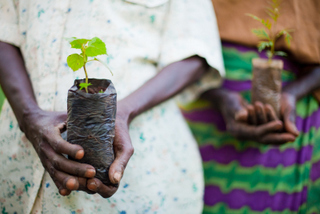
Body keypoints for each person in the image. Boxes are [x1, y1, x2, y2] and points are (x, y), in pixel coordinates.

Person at [0, 0, 225, 213]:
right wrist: (28, 116)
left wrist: (121, 113)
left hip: (144, 174)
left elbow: (195, 51)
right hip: (17, 165)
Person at [181, 0, 320, 213]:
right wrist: (217, 96)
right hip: (202, 102)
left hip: (292, 113)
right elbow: (174, 47)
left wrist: (291, 94)